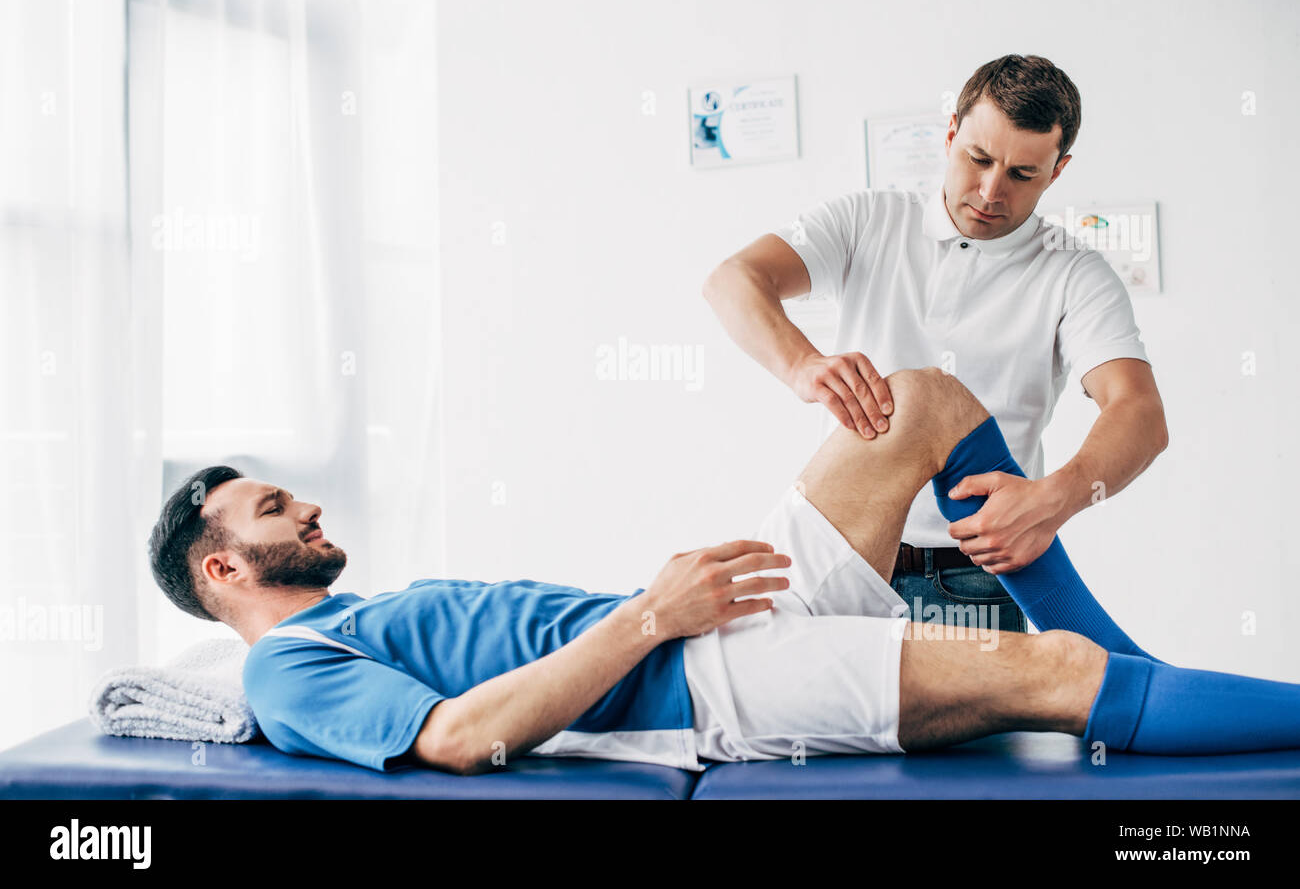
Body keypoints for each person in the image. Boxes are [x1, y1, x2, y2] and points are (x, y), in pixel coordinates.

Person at [148, 367, 1300, 776]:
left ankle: (1140, 678)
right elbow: (455, 738)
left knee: (922, 403)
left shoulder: (363, 608)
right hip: (706, 685)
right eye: (270, 509)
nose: (303, 505)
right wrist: (653, 618)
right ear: (223, 565)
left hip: (716, 613)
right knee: (1053, 671)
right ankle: (1128, 684)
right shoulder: (289, 667)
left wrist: (673, 605)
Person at [702, 53, 1169, 636]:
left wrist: (1057, 499)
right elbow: (733, 279)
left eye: (1023, 175)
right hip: (839, 557)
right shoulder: (869, 220)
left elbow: (1140, 413)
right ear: (950, 134)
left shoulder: (1074, 273)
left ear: (1057, 171)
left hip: (973, 578)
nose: (991, 191)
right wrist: (802, 364)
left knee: (984, 734)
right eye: (978, 158)